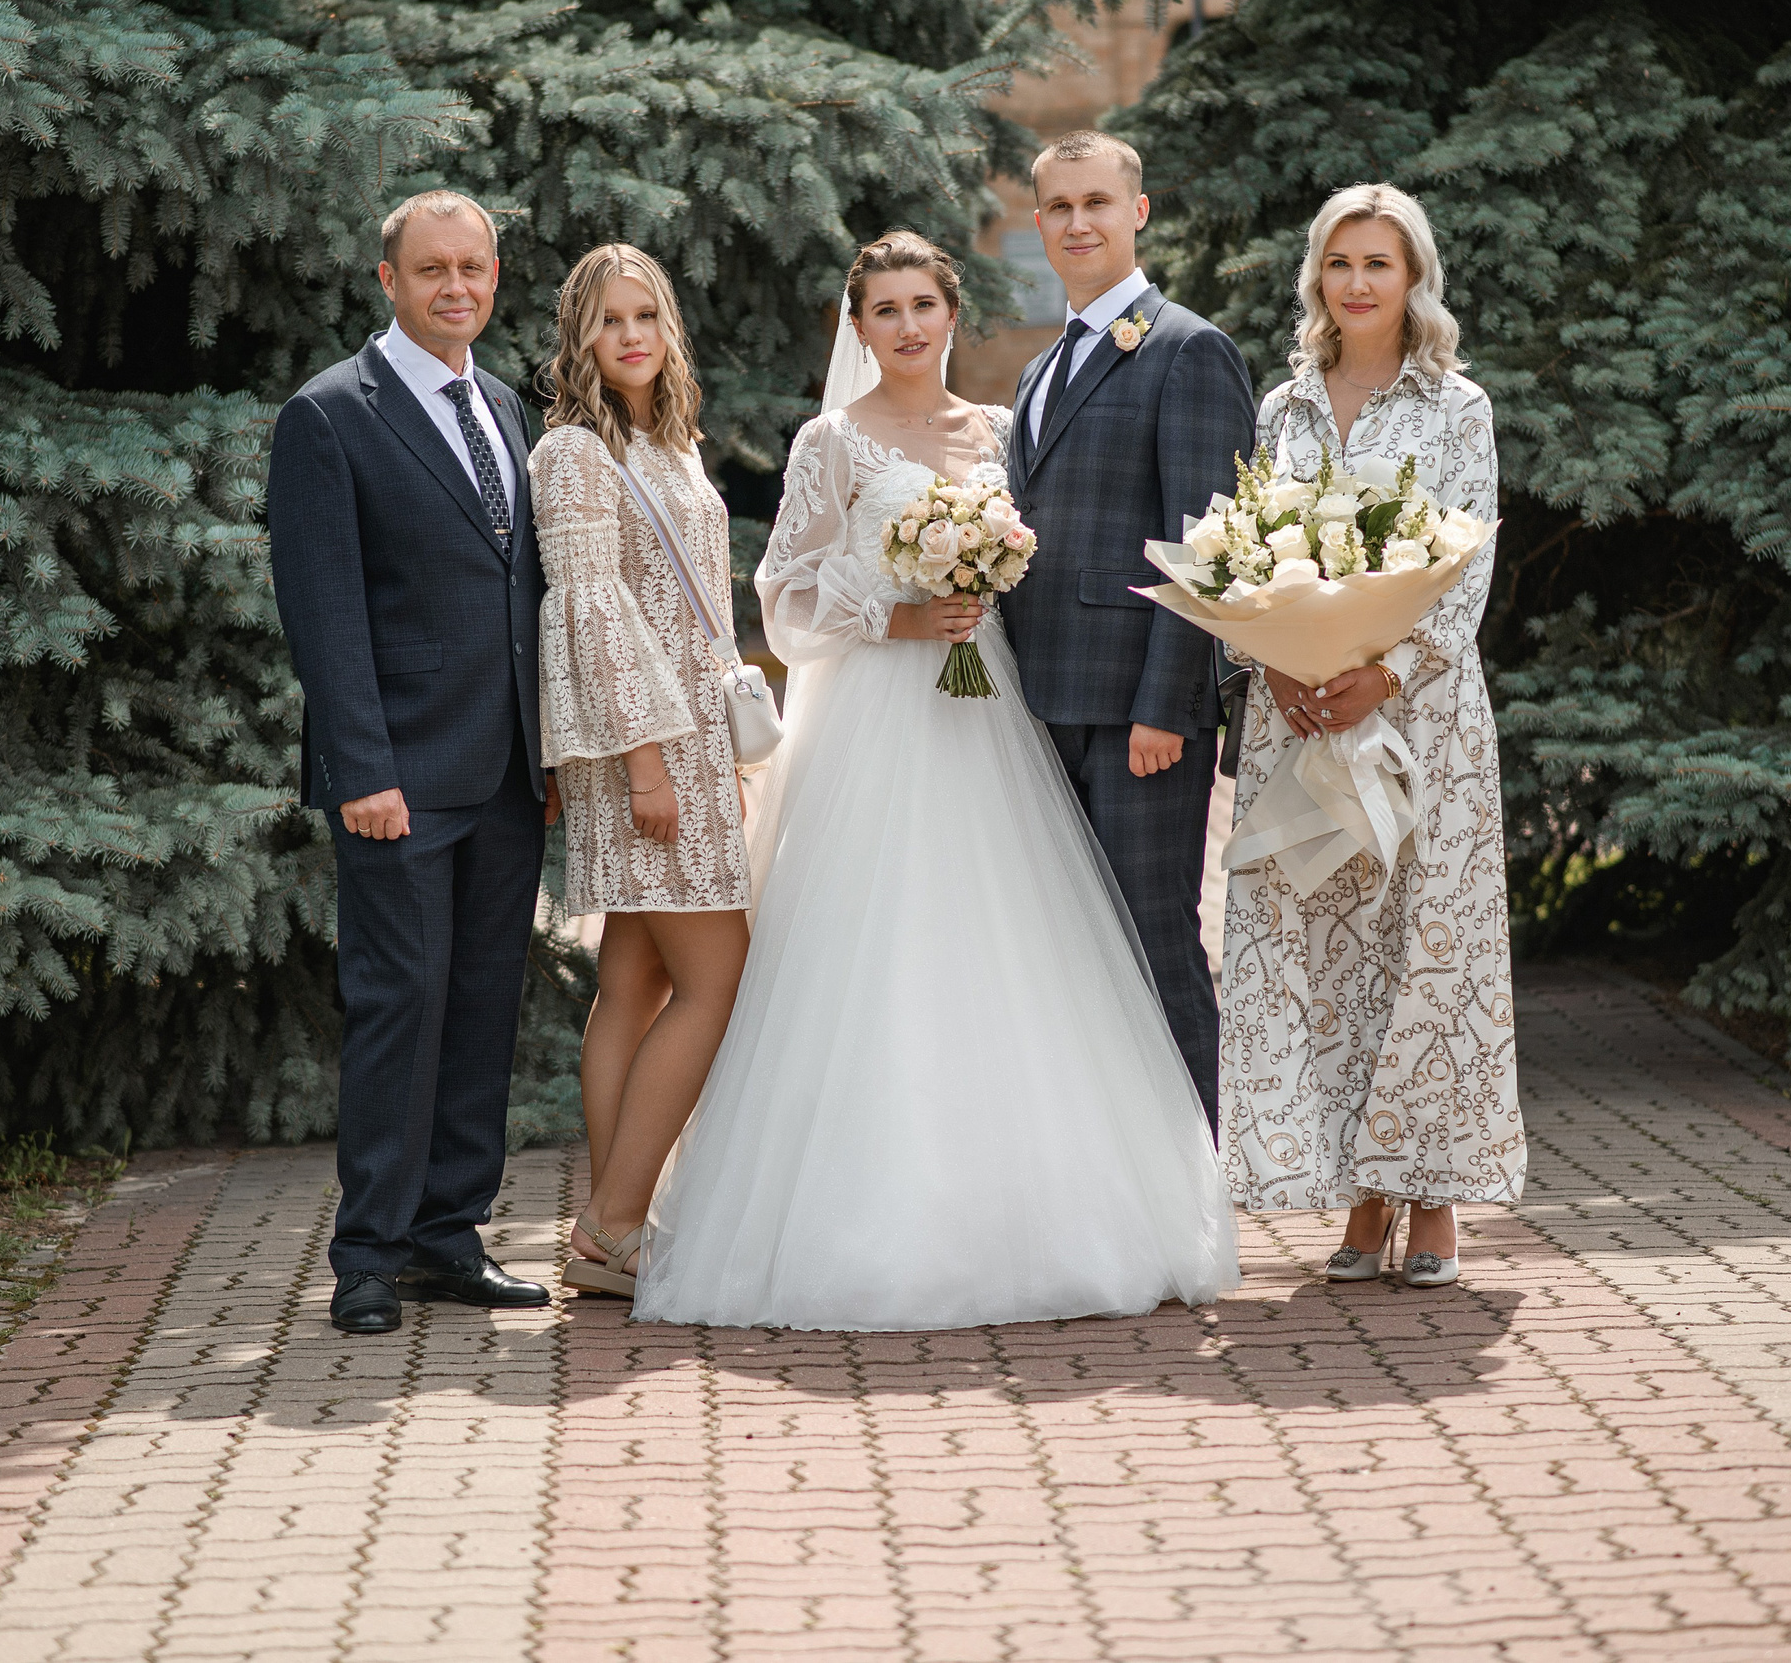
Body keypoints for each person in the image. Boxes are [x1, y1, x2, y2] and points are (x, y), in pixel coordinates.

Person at [633, 231, 1238, 1332]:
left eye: (923, 304)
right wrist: (900, 616)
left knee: (1011, 942)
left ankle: (1036, 1201)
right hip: (872, 718)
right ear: (855, 328)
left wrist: (978, 593)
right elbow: (787, 598)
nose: (907, 326)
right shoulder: (831, 442)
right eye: (884, 310)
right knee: (873, 949)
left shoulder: (1001, 434)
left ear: (952, 315)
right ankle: (859, 1216)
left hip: (991, 712)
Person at [1217, 182, 1524, 1287]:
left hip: (1422, 713)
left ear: (1413, 280)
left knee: (1425, 944)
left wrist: (1384, 671)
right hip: (1296, 715)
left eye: (1377, 265)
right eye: (1338, 263)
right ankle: (1359, 1189)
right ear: (1316, 279)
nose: (1355, 283)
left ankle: (1431, 1193)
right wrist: (1274, 662)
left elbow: (1466, 565)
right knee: (1327, 950)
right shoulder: (1280, 410)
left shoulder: (1458, 409)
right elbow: (1248, 554)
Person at [265, 190, 557, 1335]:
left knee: (482, 1004)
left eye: (474, 268)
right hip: (397, 778)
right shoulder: (331, 415)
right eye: (432, 268)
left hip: (505, 770)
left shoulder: (499, 405)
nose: (456, 287)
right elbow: (325, 615)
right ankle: (368, 1254)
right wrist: (360, 770)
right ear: (386, 280)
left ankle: (448, 1234)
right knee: (399, 1004)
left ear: (494, 278)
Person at [1002, 129, 1257, 1122]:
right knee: (1070, 947)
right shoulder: (1036, 372)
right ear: (1037, 223)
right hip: (1038, 705)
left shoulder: (1189, 350)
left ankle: (1204, 1163)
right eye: (1058, 207)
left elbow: (1205, 545)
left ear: (1136, 212)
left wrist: (1166, 707)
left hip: (1137, 717)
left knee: (1154, 936)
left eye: (1096, 203)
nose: (1077, 222)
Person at [528, 244, 752, 1299]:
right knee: (720, 977)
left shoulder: (667, 439)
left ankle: (606, 1228)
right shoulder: (576, 451)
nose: (630, 337)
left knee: (633, 980)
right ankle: (616, 1222)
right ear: (579, 336)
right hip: (643, 749)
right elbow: (592, 611)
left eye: (645, 318)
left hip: (687, 743)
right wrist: (649, 762)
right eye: (608, 320)